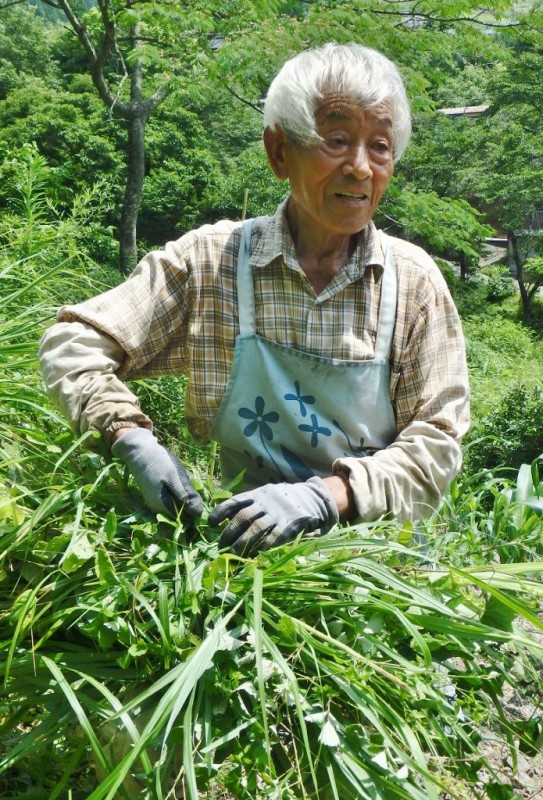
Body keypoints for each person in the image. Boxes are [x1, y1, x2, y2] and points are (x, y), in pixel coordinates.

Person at [39, 42, 470, 557]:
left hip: (373, 558)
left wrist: (326, 496)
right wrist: (129, 438)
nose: (360, 167)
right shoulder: (212, 261)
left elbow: (438, 445)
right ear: (279, 151)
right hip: (239, 546)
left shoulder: (413, 283)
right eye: (336, 140)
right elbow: (71, 343)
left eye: (379, 146)